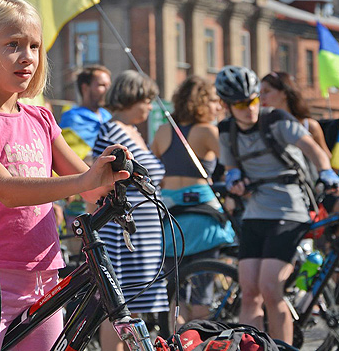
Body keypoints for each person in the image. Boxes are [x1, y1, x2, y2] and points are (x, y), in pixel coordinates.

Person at [0, 0, 129, 351]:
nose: (27, 57)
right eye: (12, 44)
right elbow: (7, 190)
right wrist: (86, 179)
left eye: (34, 47)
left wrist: (112, 171)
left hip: (44, 276)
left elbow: (90, 187)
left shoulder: (41, 118)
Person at [215, 65, 339, 342]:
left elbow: (313, 149)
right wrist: (234, 177)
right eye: (242, 103)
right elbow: (230, 166)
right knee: (249, 292)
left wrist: (325, 171)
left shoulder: (277, 120)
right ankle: (254, 347)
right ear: (226, 105)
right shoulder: (226, 130)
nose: (250, 108)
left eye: (254, 99)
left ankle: (280, 347)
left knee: (270, 288)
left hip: (289, 209)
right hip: (255, 212)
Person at [92, 70, 168, 351]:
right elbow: (96, 181)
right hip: (123, 231)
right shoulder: (111, 131)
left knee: (134, 306)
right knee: (118, 307)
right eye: (146, 100)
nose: (150, 107)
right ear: (129, 98)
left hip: (143, 232)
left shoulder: (133, 131)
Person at [150, 75, 235, 325]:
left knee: (176, 299)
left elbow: (152, 168)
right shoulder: (208, 131)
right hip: (202, 218)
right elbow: (233, 166)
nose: (217, 107)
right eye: (213, 101)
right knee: (202, 296)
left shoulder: (164, 130)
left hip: (171, 217)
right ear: (198, 102)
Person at [260, 71, 332, 158]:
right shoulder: (261, 126)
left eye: (266, 91)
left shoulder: (309, 126)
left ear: (284, 93)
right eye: (260, 93)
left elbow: (327, 160)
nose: (261, 97)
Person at [60, 65, 112, 161]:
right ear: (85, 88)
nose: (108, 90)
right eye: (102, 85)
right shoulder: (72, 118)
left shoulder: (108, 116)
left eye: (109, 85)